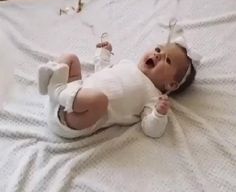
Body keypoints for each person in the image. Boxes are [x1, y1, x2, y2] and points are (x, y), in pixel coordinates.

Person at [38, 33, 197, 139]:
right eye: (158, 49)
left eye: (167, 60)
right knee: (70, 58)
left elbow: (152, 130)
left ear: (171, 84)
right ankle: (55, 85)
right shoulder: (128, 64)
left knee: (99, 100)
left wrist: (159, 114)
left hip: (73, 119)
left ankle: (56, 88)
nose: (157, 54)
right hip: (73, 91)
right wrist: (104, 53)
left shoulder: (153, 96)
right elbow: (102, 71)